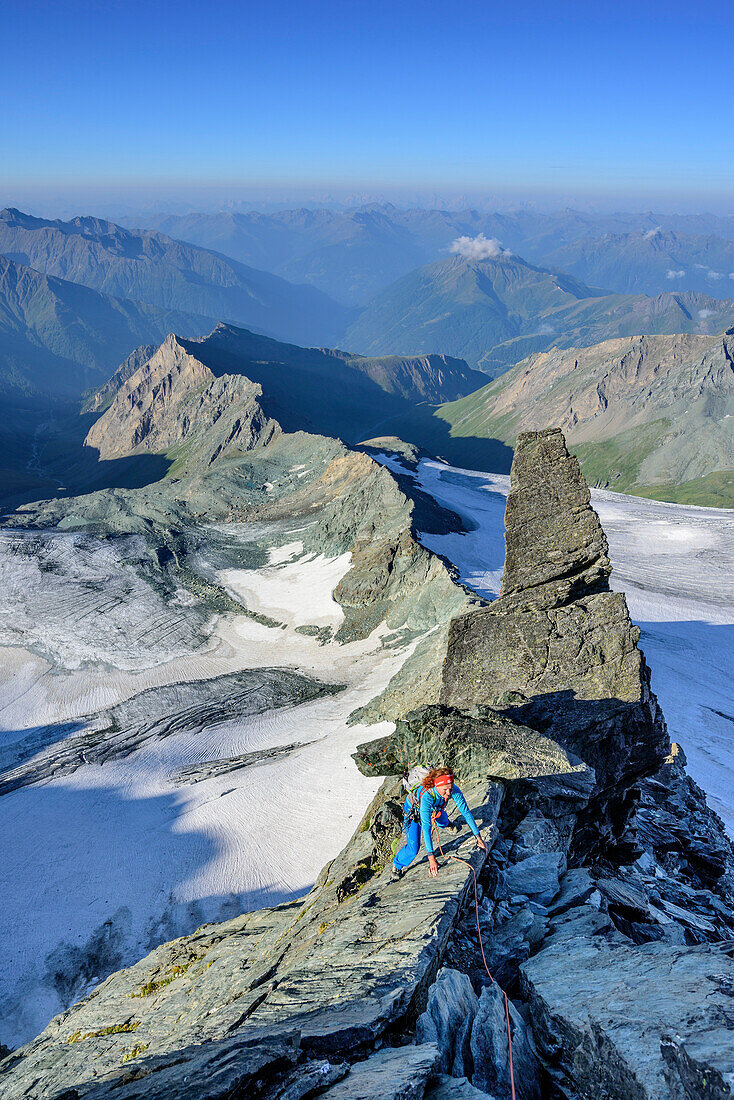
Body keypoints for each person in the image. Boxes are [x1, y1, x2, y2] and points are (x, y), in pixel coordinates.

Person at [391, 767, 486, 881]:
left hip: (436, 807)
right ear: (437, 785)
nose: (448, 793)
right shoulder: (427, 796)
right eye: (445, 790)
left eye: (450, 789)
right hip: (414, 811)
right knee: (413, 848)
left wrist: (478, 837)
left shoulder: (453, 789)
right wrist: (432, 858)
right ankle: (397, 865)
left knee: (443, 820)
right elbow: (426, 828)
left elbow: (465, 812)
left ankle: (445, 824)